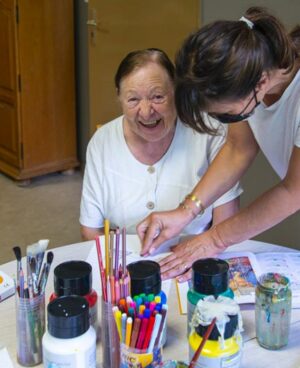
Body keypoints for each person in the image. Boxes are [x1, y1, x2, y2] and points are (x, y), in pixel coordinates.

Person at [137, 7, 300, 281]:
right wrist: (186, 211)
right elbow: (239, 147)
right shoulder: (245, 63)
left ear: (260, 83)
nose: (222, 122)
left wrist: (214, 239)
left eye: (225, 115)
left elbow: (293, 192)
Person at [79, 48, 241, 240]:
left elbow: (225, 224)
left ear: (176, 91)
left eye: (157, 97)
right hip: (124, 260)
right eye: (133, 99)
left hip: (196, 252)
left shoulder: (209, 132)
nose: (146, 112)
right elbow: (91, 229)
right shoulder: (102, 142)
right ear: (119, 97)